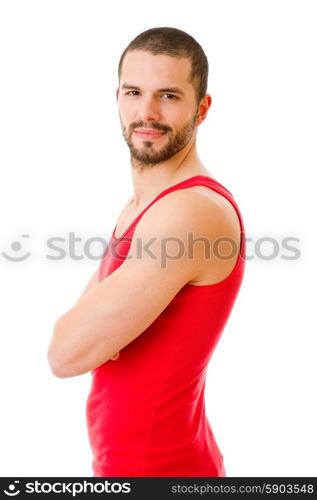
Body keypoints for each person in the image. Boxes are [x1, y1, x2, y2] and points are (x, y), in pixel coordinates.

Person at [47, 26, 246, 477]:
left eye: (170, 96)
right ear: (117, 96)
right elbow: (88, 340)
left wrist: (102, 336)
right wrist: (101, 334)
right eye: (135, 92)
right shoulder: (145, 206)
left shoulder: (189, 212)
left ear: (202, 108)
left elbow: (65, 353)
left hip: (162, 471)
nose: (147, 112)